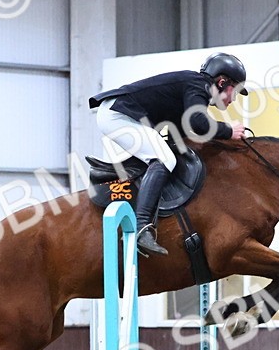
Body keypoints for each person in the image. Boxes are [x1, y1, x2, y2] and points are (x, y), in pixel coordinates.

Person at [89, 52, 249, 256]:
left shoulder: (192, 90)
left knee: (167, 155)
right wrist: (228, 131)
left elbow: (182, 135)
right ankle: (141, 227)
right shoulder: (197, 85)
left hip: (120, 114)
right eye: (234, 92)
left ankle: (111, 175)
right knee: (164, 159)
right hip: (117, 115)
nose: (233, 100)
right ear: (221, 82)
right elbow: (198, 123)